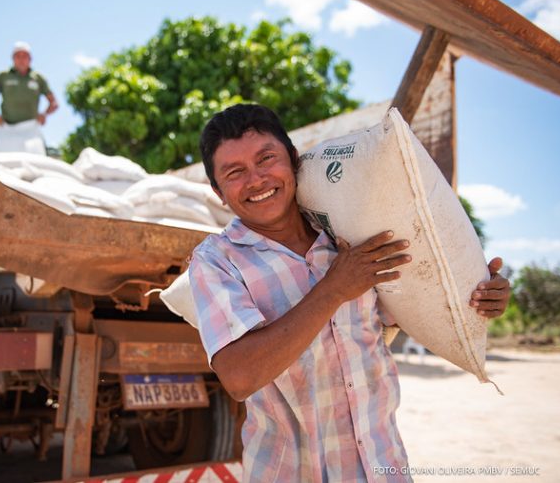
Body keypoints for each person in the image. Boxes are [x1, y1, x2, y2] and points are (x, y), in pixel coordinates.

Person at [189, 104, 510, 482]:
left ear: (292, 160)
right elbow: (240, 376)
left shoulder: (348, 234)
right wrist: (334, 289)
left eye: (267, 159)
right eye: (235, 172)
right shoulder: (216, 261)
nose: (257, 179)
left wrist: (475, 294)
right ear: (219, 192)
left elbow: (407, 306)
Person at [0, 41, 58, 127]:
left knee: (37, 141)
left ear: (30, 58)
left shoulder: (38, 78)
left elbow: (54, 102)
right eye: (18, 56)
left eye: (25, 56)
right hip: (6, 126)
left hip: (31, 127)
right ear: (13, 58)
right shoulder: (3, 76)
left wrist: (44, 115)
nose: (21, 59)